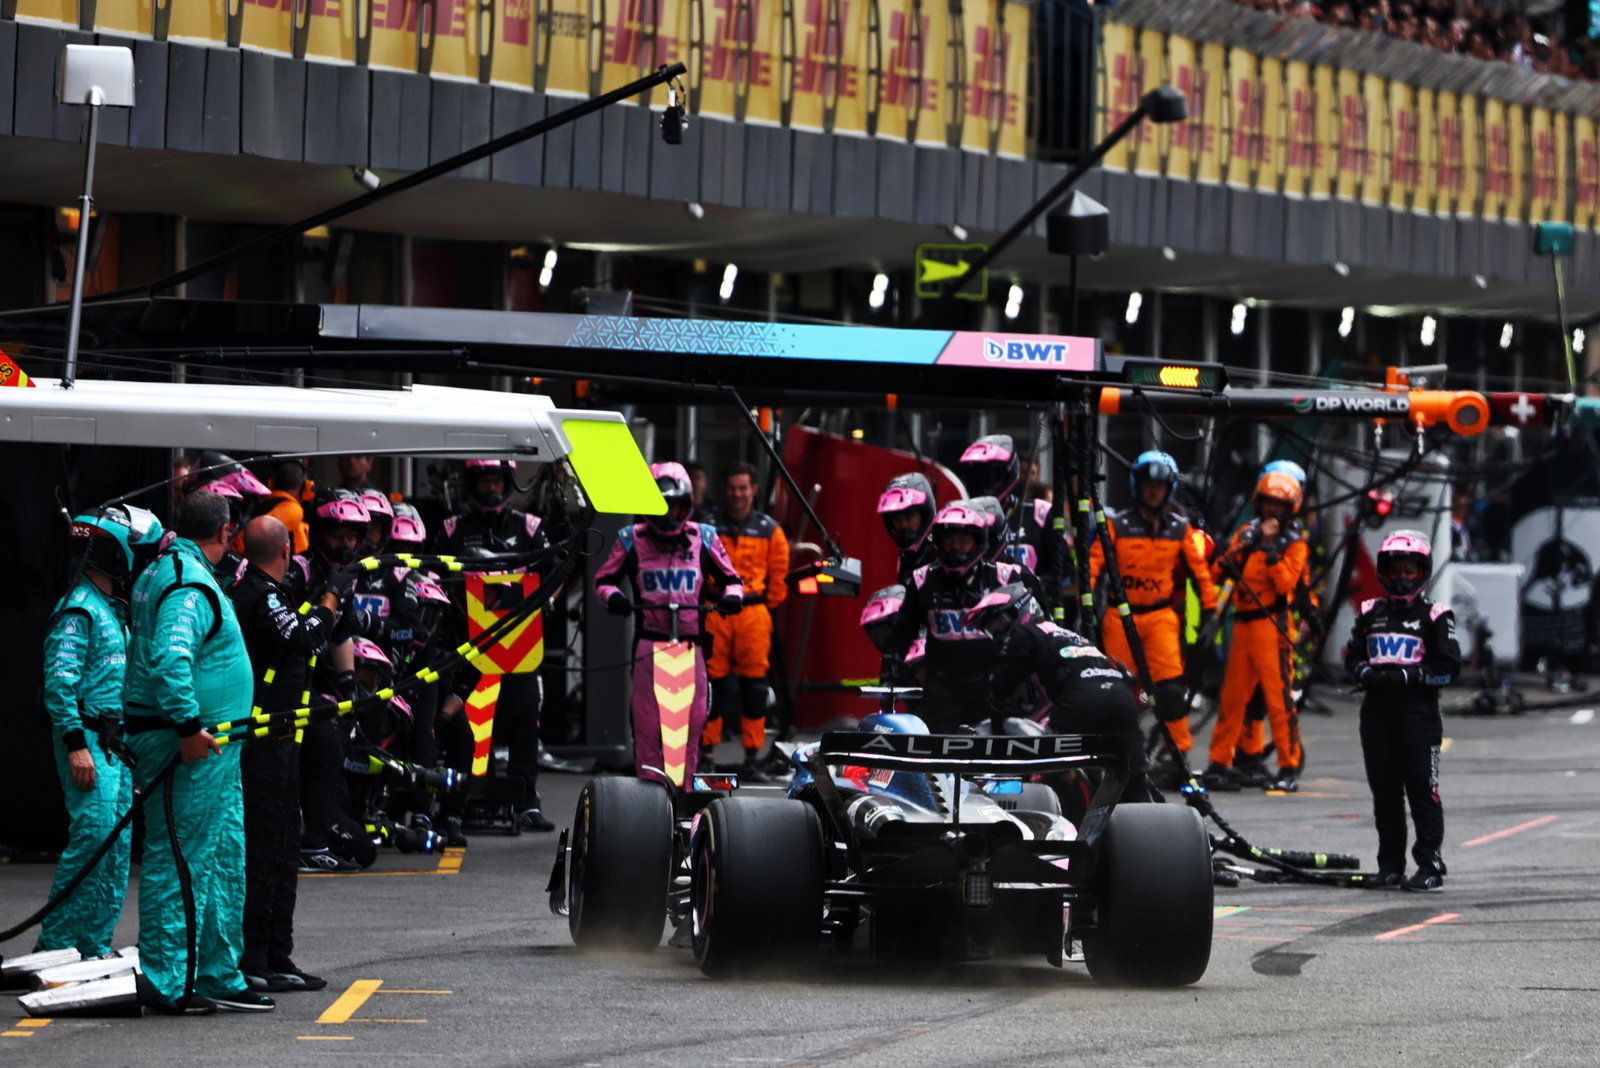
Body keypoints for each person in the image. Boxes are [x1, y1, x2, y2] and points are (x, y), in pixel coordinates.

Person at [123, 489, 270, 1014]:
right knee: (181, 856)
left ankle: (215, 970)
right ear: (225, 533)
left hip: (213, 746)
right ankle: (168, 979)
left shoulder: (173, 569)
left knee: (222, 853)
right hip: (192, 743)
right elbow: (169, 657)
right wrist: (187, 727)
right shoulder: (186, 581)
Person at [35, 506, 160, 961]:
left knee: (116, 845)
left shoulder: (110, 608)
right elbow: (59, 684)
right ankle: (54, 944)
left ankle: (92, 945)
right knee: (93, 838)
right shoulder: (78, 610)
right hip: (87, 742)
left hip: (114, 746)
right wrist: (74, 746)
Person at [229, 516, 342, 994]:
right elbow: (302, 637)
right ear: (287, 547)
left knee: (285, 843)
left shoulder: (267, 591)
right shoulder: (262, 593)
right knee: (266, 847)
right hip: (265, 743)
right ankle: (256, 958)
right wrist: (330, 603)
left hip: (284, 737)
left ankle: (278, 954)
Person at [594, 462, 743, 785]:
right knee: (648, 728)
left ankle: (684, 795)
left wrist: (732, 598)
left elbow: (733, 580)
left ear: (686, 503)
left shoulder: (705, 537)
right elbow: (603, 580)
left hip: (692, 646)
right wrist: (613, 598)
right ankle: (647, 803)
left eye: (674, 505)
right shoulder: (630, 538)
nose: (668, 514)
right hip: (649, 646)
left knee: (689, 727)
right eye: (660, 506)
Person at [438, 458, 556, 831]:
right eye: (484, 482)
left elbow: (556, 572)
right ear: (471, 486)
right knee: (472, 724)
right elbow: (433, 578)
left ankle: (526, 802)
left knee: (525, 720)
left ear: (508, 484)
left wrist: (546, 600)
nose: (491, 489)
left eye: (497, 481)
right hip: (469, 643)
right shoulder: (451, 528)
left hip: (521, 643)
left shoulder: (532, 527)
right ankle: (467, 799)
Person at [1088, 450, 1219, 776]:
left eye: (1160, 485)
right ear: (1138, 486)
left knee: (1171, 693)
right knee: (1113, 690)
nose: (1154, 491)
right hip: (1121, 617)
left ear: (1169, 488)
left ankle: (1176, 756)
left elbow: (1200, 573)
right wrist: (1086, 602)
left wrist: (1212, 611)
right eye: (1148, 484)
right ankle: (1112, 755)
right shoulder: (1115, 525)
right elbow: (1092, 567)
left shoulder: (1180, 528)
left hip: (1160, 618)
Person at [964, 583, 1158, 803]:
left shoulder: (1025, 632)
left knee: (1051, 765)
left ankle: (1066, 818)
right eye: (991, 629)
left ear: (1019, 611)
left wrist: (990, 702)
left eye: (998, 624)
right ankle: (1139, 818)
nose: (996, 633)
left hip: (1083, 700)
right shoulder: (1065, 634)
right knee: (1132, 773)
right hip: (1121, 696)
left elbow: (1003, 683)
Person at [1346, 530, 1461, 892]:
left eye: (1409, 570)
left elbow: (1449, 668)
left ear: (1422, 571)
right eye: (1395, 569)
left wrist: (1408, 676)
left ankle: (1430, 864)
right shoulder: (1369, 611)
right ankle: (1390, 865)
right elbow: (1352, 655)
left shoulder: (1437, 615)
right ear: (1383, 570)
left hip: (1417, 714)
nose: (1401, 577)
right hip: (1376, 712)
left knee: (1422, 791)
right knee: (1384, 792)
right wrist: (1364, 671)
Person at [880, 501, 1045, 731]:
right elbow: (901, 634)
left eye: (963, 542)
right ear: (938, 544)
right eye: (948, 542)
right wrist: (889, 675)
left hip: (996, 689)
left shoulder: (1008, 577)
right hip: (943, 692)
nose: (955, 550)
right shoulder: (922, 580)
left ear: (979, 543)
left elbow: (1039, 631)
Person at [1204, 471, 1310, 793]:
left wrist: (1269, 549)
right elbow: (1219, 569)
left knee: (1279, 701)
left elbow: (1285, 584)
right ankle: (1219, 763)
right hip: (1242, 624)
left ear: (1290, 508)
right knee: (1232, 699)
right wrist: (1248, 546)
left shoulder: (1295, 544)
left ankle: (1288, 765)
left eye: (1279, 505)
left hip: (1272, 626)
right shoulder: (1244, 534)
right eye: (1267, 503)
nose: (1272, 511)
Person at [288, 490, 370, 870]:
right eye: (338, 535)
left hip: (316, 681)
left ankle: (321, 830)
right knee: (320, 743)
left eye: (352, 536)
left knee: (334, 742)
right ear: (319, 532)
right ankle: (310, 844)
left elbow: (340, 634)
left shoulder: (345, 578)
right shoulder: (300, 571)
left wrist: (350, 686)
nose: (346, 544)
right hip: (283, 682)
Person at [704, 461, 790, 778]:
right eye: (732, 488)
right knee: (711, 688)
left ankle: (752, 757)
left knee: (755, 689)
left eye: (743, 488)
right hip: (715, 611)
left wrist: (761, 607)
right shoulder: (708, 527)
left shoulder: (771, 531)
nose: (737, 494)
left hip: (754, 613)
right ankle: (706, 754)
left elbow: (778, 583)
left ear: (753, 490)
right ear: (724, 490)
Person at [957, 434, 1064, 615]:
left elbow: (1064, 571)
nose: (985, 483)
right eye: (978, 476)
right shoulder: (958, 519)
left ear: (1008, 473)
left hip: (1029, 614)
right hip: (974, 617)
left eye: (993, 475)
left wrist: (1031, 584)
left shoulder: (1040, 513)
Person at [876, 472, 938, 584]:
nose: (903, 525)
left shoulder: (942, 554)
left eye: (909, 517)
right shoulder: (907, 557)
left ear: (924, 516)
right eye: (897, 519)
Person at [264, 460, 311, 554]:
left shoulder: (265, 505)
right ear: (306, 487)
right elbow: (258, 535)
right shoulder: (292, 509)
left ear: (270, 484)